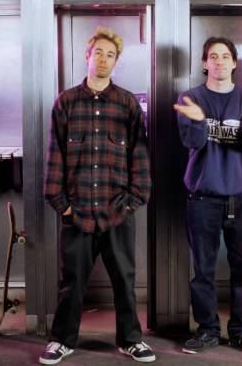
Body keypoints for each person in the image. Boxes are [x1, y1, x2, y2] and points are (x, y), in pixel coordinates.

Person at [40, 27, 155, 364]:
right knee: (72, 281)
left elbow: (140, 157)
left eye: (110, 55)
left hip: (118, 211)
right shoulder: (66, 102)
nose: (103, 59)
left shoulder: (127, 103)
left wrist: (134, 200)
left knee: (124, 279)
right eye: (98, 53)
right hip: (76, 212)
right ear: (87, 56)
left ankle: (131, 339)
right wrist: (60, 205)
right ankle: (62, 340)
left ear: (115, 62)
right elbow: (55, 156)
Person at [174, 37, 242, 355]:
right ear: (205, 63)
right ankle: (207, 330)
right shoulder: (190, 98)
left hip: (241, 196)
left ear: (234, 63)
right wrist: (201, 120)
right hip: (202, 197)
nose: (219, 61)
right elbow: (192, 141)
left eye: (225, 56)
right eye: (213, 56)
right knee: (202, 269)